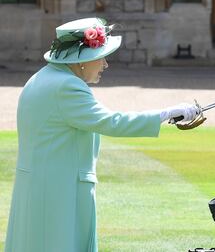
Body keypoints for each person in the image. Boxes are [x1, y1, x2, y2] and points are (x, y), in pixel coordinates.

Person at [4, 17, 199, 252]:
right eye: (100, 57)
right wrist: (167, 113)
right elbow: (111, 122)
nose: (105, 64)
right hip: (60, 194)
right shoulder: (67, 86)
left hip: (37, 190)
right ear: (82, 60)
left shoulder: (39, 78)